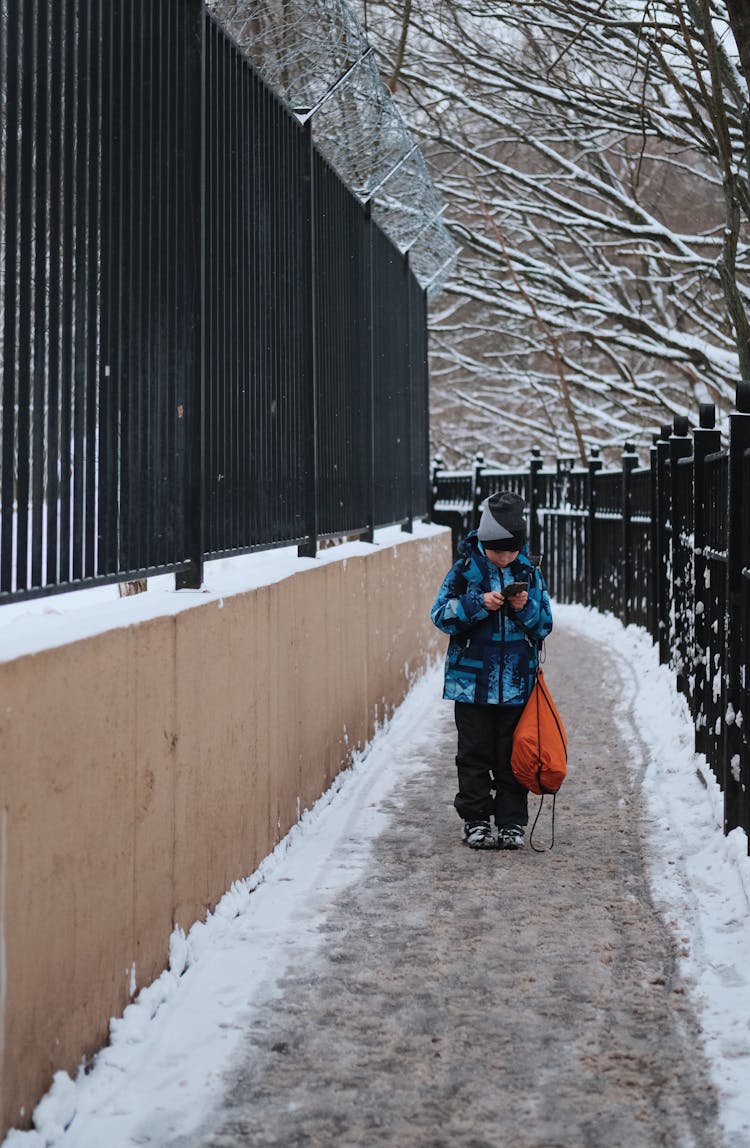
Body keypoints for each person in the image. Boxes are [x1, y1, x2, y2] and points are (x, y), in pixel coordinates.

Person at [431, 490, 553, 850]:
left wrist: (524, 606)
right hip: (471, 685)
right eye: (499, 551)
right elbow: (440, 615)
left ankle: (512, 822)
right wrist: (476, 603)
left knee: (513, 756)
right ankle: (476, 820)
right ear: (484, 544)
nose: (506, 558)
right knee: (473, 755)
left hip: (516, 684)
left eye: (512, 551)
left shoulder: (528, 572)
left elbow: (544, 624)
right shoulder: (465, 572)